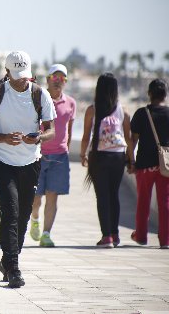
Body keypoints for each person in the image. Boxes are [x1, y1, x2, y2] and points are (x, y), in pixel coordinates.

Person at [0, 51, 56, 288]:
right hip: (2, 161)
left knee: (23, 214)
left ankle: (7, 260)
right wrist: (2, 138)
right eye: (17, 75)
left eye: (25, 75)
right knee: (9, 213)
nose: (22, 80)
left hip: (31, 162)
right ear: (7, 72)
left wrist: (38, 137)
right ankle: (14, 267)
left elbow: (52, 130)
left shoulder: (41, 95)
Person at [80, 73, 134, 248]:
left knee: (102, 197)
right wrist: (131, 160)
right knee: (114, 196)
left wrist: (83, 155)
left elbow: (86, 136)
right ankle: (116, 235)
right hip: (118, 157)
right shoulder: (123, 111)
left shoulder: (92, 109)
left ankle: (107, 237)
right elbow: (129, 138)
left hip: (99, 157)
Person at [30, 64, 76, 247]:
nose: (58, 82)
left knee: (52, 196)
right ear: (48, 79)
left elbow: (69, 131)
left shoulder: (71, 103)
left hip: (60, 157)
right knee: (36, 198)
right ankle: (34, 219)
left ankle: (46, 234)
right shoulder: (38, 99)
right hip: (38, 155)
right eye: (55, 78)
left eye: (62, 79)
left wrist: (66, 149)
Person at [130, 78, 169, 249]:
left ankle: (140, 236)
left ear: (149, 93)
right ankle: (165, 240)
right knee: (165, 202)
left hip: (145, 164)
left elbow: (133, 140)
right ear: (165, 95)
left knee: (143, 201)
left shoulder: (141, 113)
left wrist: (130, 161)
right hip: (165, 166)